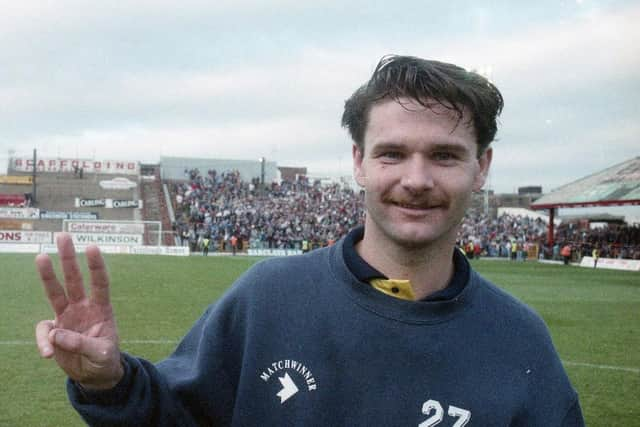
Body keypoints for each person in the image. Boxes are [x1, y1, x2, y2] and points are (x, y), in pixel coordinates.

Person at [35, 55, 584, 426]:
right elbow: (177, 414)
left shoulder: (519, 341)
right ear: (358, 163)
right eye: (392, 153)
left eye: (444, 155)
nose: (416, 180)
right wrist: (110, 383)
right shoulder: (267, 298)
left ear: (481, 167)